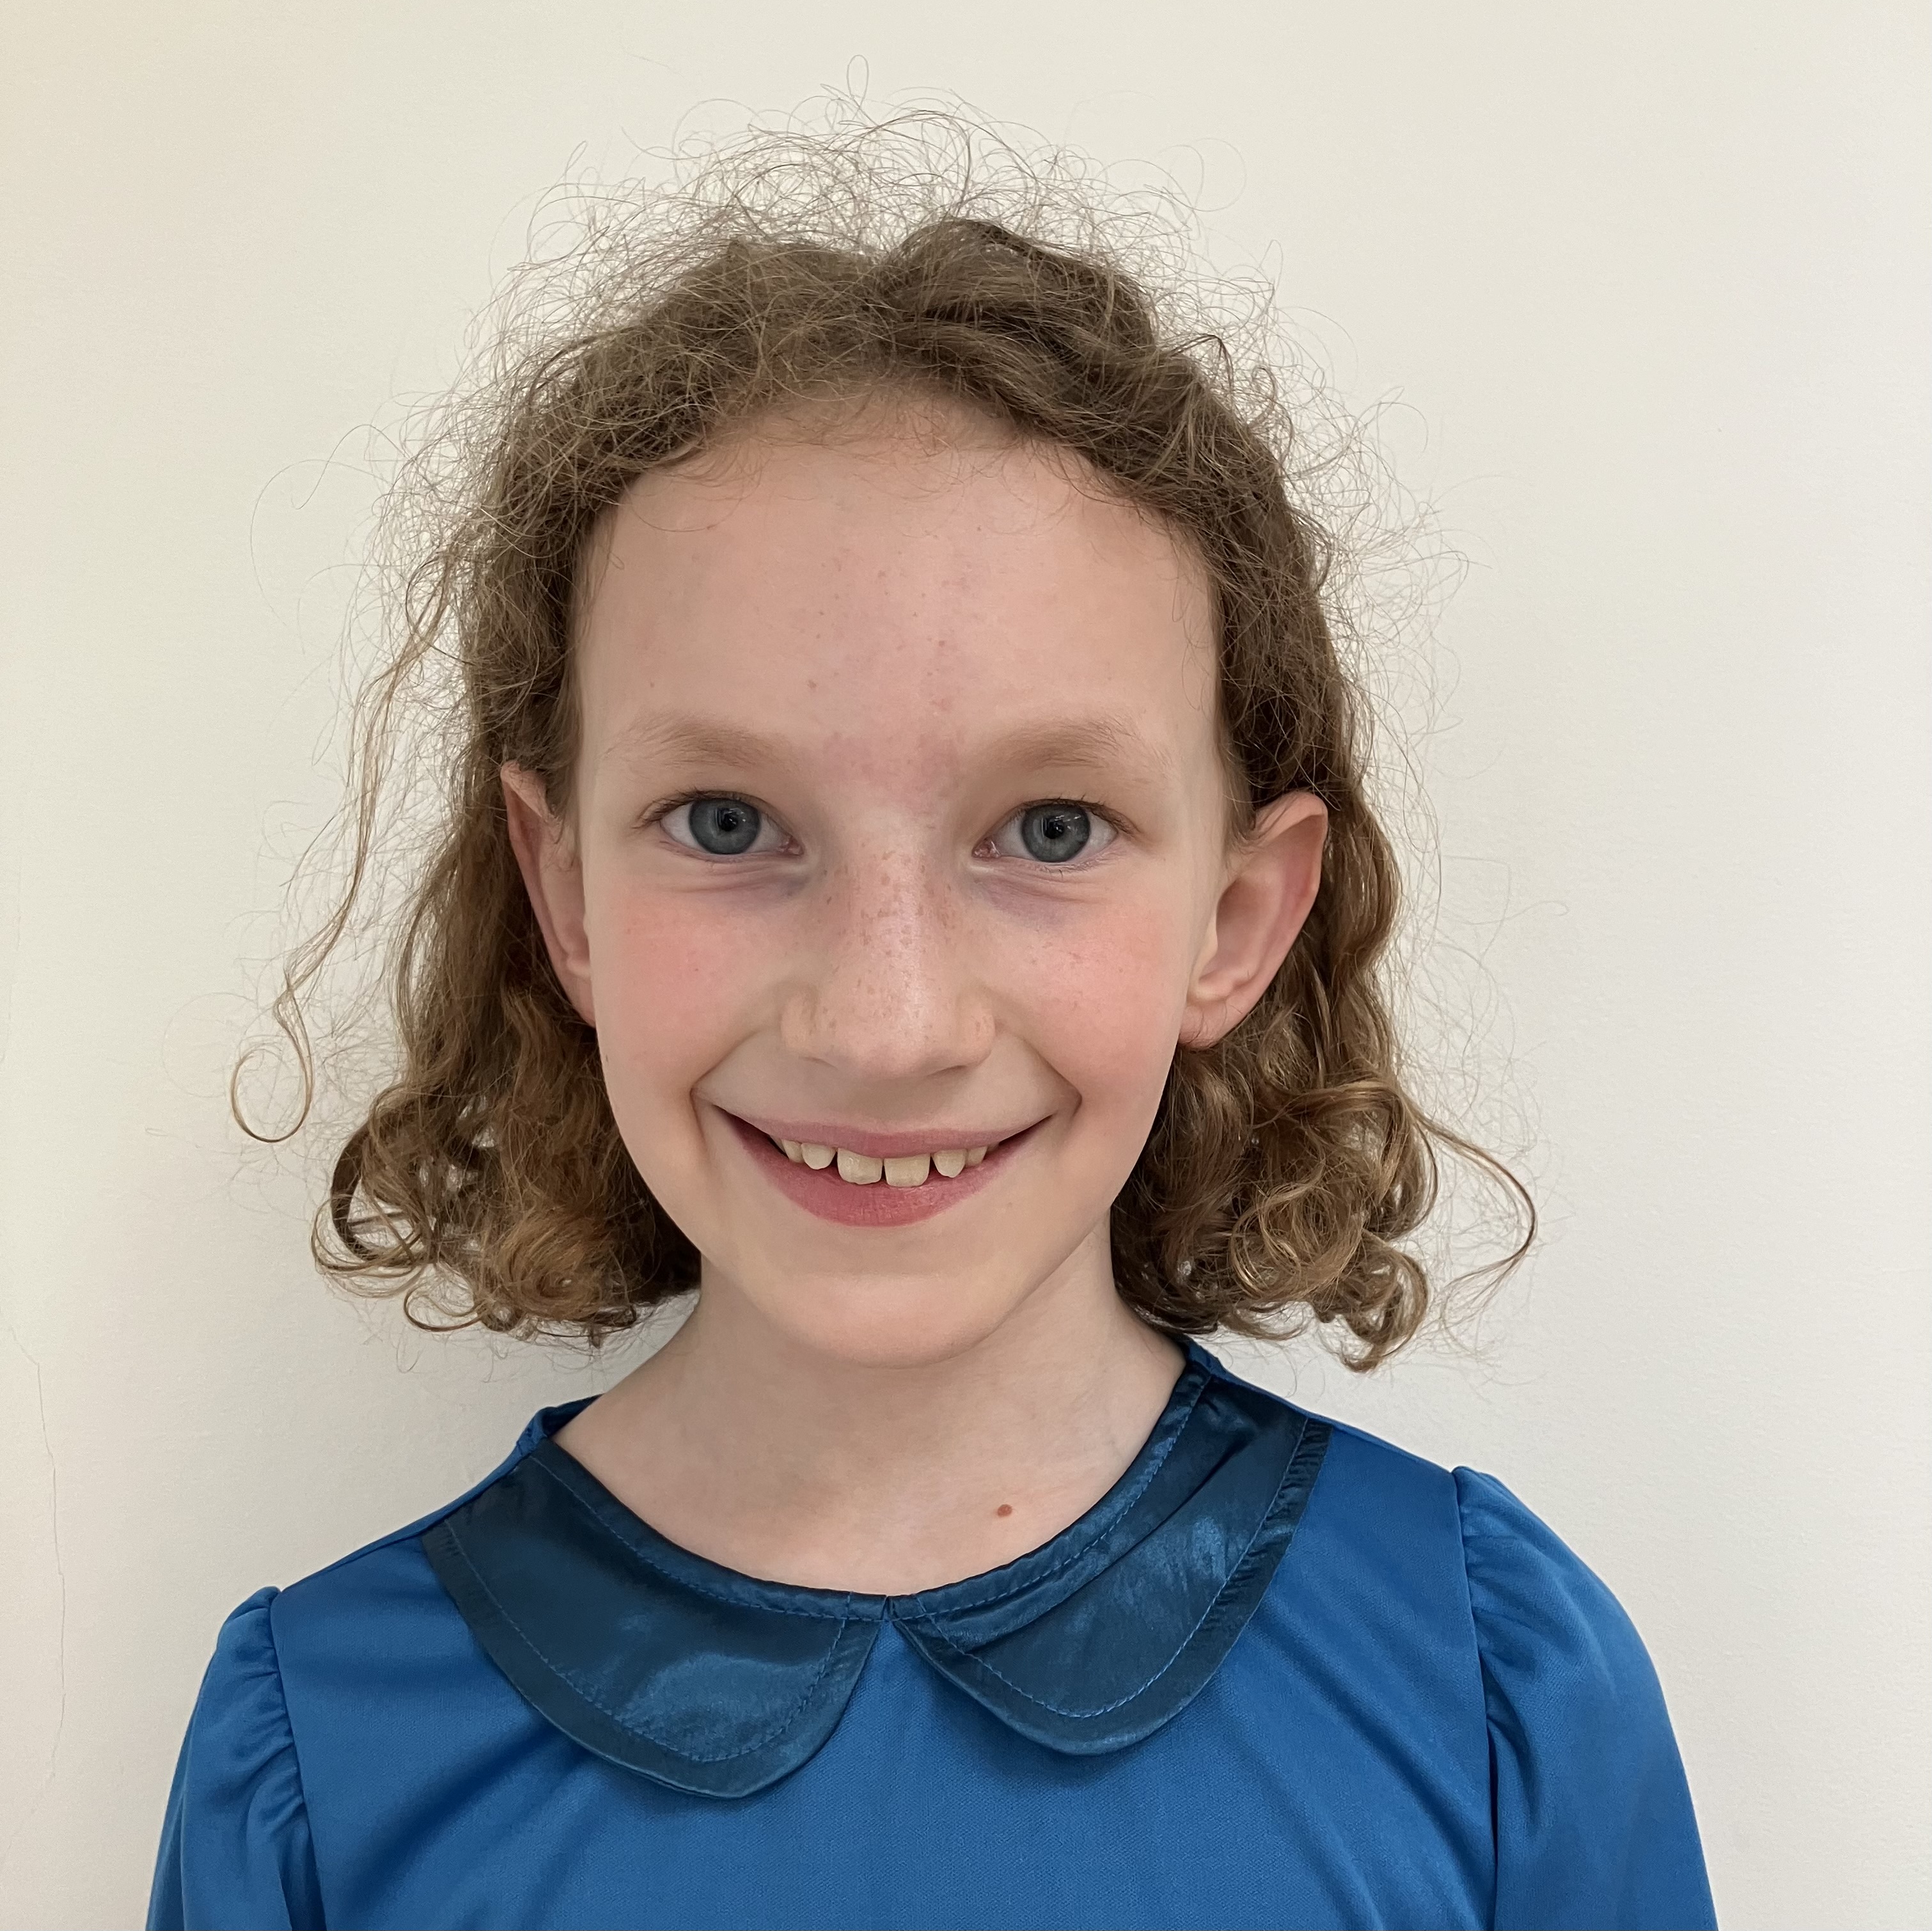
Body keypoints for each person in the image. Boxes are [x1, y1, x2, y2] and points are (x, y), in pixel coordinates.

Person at [149, 121, 1716, 1931]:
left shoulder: (1487, 1688)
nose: (886, 1026)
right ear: (565, 896)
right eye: (727, 823)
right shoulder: (324, 1765)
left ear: (1235, 922)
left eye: (1048, 830)